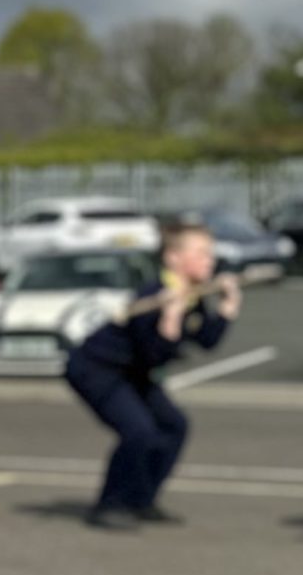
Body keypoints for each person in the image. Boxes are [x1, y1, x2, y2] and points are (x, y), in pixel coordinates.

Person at [62, 220, 240, 530]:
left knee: (174, 426)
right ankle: (110, 504)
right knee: (139, 431)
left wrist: (227, 309)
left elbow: (206, 340)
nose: (208, 260)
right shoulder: (154, 295)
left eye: (209, 254)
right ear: (173, 258)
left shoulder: (193, 295)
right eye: (200, 253)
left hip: (135, 372)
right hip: (98, 369)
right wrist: (169, 321)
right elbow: (155, 354)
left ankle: (141, 499)